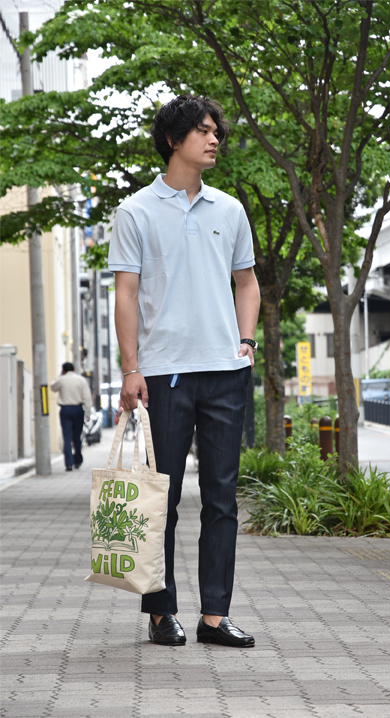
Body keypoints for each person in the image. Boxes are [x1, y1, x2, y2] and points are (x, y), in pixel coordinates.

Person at [108, 95, 260, 648]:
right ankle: (160, 611)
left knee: (222, 498)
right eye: (203, 130)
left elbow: (247, 282)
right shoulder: (136, 211)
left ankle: (214, 616)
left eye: (216, 131)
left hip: (224, 372)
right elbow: (126, 295)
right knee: (161, 498)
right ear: (174, 140)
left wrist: (246, 342)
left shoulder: (230, 209)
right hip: (164, 374)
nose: (214, 139)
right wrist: (131, 368)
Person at [50, 362, 93, 471]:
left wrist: (61, 375)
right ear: (74, 369)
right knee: (77, 436)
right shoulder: (81, 380)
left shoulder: (61, 380)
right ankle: (78, 460)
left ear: (63, 370)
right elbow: (87, 397)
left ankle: (68, 463)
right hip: (78, 409)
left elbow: (53, 387)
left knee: (67, 437)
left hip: (65, 410)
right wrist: (88, 413)